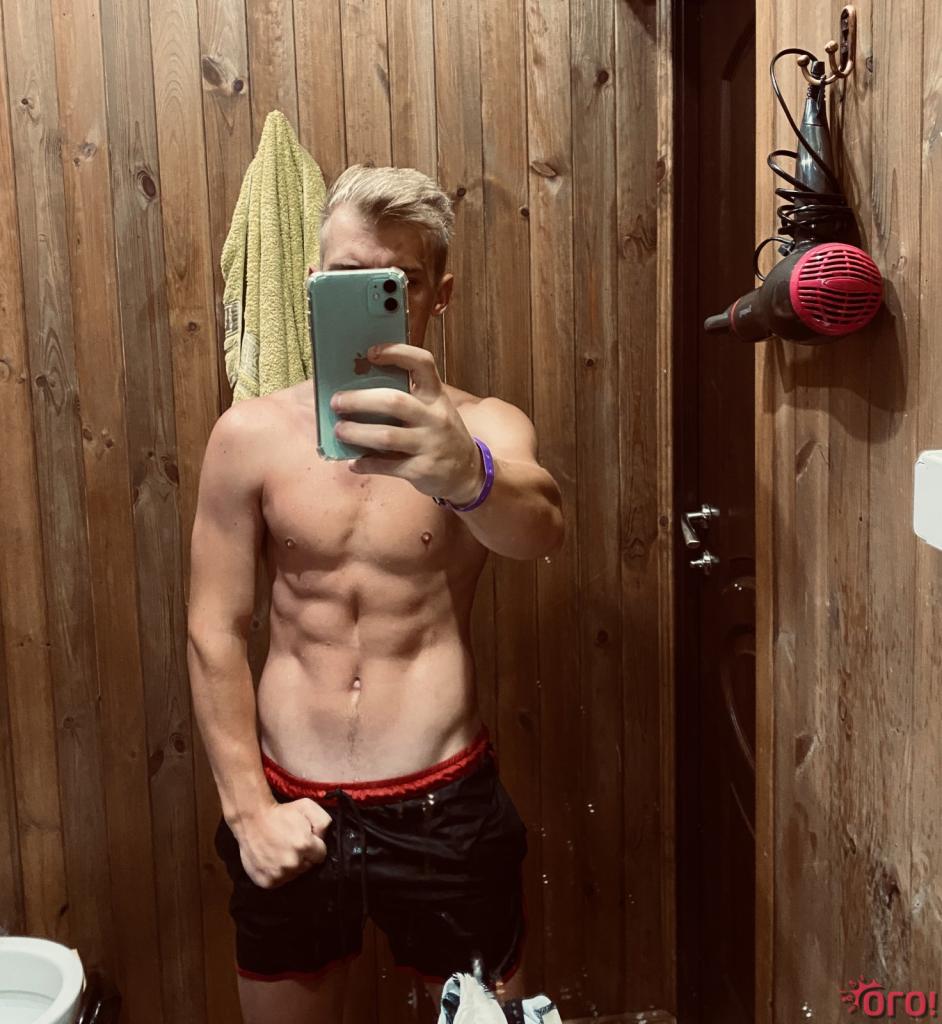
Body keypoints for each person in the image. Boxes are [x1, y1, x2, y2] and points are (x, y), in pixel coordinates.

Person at [187, 164, 565, 1024]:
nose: (369, 301)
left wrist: (465, 475)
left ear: (438, 296)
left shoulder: (486, 429)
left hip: (443, 801)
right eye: (345, 279)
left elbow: (541, 529)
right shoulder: (248, 437)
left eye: (398, 284)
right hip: (288, 798)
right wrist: (248, 813)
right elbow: (215, 629)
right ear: (313, 283)